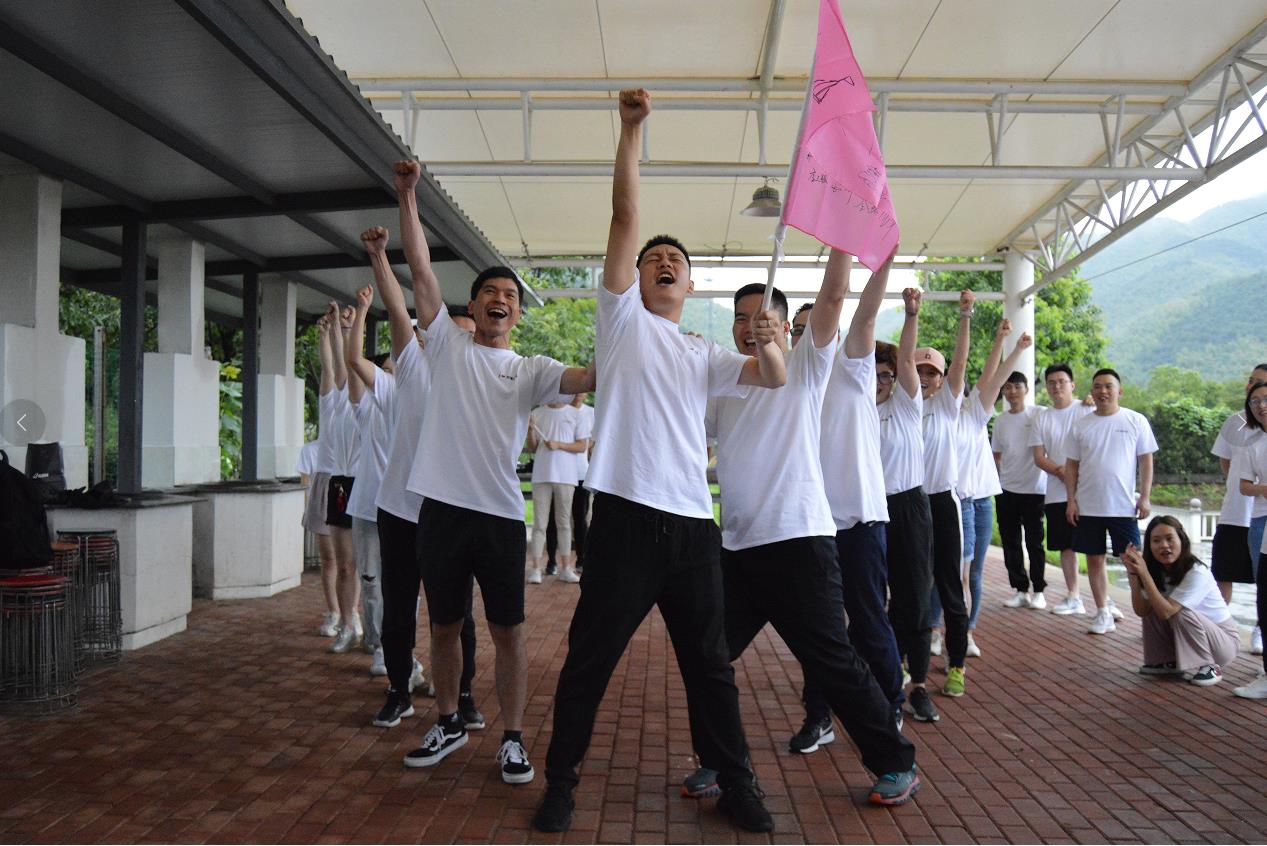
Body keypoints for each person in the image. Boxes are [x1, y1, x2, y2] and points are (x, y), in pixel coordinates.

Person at [533, 89, 785, 834]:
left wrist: (769, 336)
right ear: (634, 279)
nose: (663, 261)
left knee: (710, 668)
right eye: (653, 260)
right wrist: (630, 131)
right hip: (623, 521)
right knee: (589, 662)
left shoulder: (704, 352)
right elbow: (623, 217)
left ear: (692, 283)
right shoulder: (621, 325)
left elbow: (772, 377)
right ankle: (560, 783)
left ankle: (735, 782)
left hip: (690, 532)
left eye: (676, 260)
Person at [689, 258, 919, 808]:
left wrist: (843, 242)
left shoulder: (806, 367)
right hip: (739, 549)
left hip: (801, 544)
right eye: (741, 318)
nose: (750, 326)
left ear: (788, 326)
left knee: (833, 662)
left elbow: (835, 300)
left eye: (762, 316)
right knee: (707, 656)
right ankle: (721, 761)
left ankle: (896, 761)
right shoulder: (724, 385)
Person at [393, 160, 594, 785]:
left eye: (510, 297)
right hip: (443, 513)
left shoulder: (529, 368)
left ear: (517, 315)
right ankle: (450, 721)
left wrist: (628, 341)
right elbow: (421, 271)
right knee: (445, 625)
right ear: (472, 307)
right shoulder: (448, 345)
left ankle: (511, 737)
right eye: (490, 294)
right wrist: (407, 196)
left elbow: (584, 380)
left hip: (502, 515)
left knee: (508, 631)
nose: (500, 301)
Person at [360, 226, 483, 732]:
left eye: (467, 336)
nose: (459, 343)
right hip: (399, 509)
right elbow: (397, 305)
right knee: (397, 610)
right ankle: (398, 690)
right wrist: (378, 258)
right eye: (451, 334)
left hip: (451, 511)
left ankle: (465, 695)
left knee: (455, 613)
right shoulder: (414, 364)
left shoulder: (479, 382)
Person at [790, 252, 907, 752]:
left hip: (859, 520)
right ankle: (819, 716)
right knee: (820, 631)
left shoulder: (852, 363)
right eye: (795, 329)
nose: (802, 335)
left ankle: (889, 710)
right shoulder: (785, 381)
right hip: (812, 524)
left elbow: (865, 312)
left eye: (808, 325)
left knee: (867, 620)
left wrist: (882, 258)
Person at [936, 322, 1032, 654]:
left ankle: (967, 632)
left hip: (981, 499)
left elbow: (992, 377)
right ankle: (940, 632)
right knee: (949, 572)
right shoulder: (936, 414)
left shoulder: (975, 410)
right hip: (955, 500)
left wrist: (1009, 345)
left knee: (972, 572)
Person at [875, 289, 937, 722]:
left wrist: (911, 316)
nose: (880, 380)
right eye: (874, 374)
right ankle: (884, 678)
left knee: (913, 597)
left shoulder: (907, 404)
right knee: (871, 600)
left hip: (910, 506)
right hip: (869, 511)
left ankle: (917, 682)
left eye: (886, 374)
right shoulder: (854, 408)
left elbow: (908, 358)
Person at [1065, 368, 1158, 635]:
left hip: (1123, 507)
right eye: (1097, 386)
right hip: (1089, 506)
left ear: (1119, 391)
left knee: (1134, 562)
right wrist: (1071, 500)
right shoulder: (1081, 425)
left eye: (1108, 386)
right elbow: (1071, 466)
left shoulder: (1135, 420)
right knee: (1094, 561)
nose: (1103, 391)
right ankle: (1102, 611)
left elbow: (1146, 461)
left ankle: (1148, 617)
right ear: (1091, 391)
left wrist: (1146, 496)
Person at [915, 291, 975, 698]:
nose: (925, 377)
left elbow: (961, 361)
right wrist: (910, 316)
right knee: (911, 589)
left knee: (950, 589)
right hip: (909, 506)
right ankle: (909, 661)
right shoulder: (899, 407)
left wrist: (966, 316)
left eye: (931, 372)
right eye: (918, 369)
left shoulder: (948, 404)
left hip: (942, 501)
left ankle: (956, 665)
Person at [344, 288, 395, 676]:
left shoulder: (418, 401)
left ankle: (398, 649)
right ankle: (378, 646)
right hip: (366, 507)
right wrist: (361, 313)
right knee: (372, 581)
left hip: (405, 509)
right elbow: (352, 362)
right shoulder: (366, 410)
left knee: (402, 586)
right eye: (387, 366)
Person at [1123, 516, 1239, 686]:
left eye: (1170, 539)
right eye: (1156, 541)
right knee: (1155, 602)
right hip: (1192, 635)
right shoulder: (1156, 571)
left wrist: (1144, 574)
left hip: (1223, 644)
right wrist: (1133, 573)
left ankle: (1210, 666)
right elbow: (1142, 611)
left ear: (1182, 540)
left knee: (1178, 610)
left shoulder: (1197, 572)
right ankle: (1165, 661)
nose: (1164, 545)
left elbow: (1167, 611)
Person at [315, 304, 362, 653]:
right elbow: (330, 365)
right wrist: (331, 330)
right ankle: (348, 622)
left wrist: (345, 330)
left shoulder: (369, 400)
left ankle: (365, 622)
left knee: (365, 564)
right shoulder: (332, 402)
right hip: (339, 485)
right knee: (345, 563)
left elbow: (347, 363)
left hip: (367, 484)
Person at [1212, 364, 1267, 654]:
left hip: (1259, 516)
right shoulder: (1235, 423)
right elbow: (1226, 462)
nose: (1253, 389)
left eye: (1260, 385)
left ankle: (1260, 628)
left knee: (1263, 579)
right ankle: (1219, 630)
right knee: (1223, 572)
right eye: (1251, 383)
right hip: (1235, 513)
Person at [1030, 364, 1094, 615]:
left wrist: (1075, 475)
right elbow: (1038, 456)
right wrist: (1061, 471)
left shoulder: (1086, 408)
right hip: (1056, 491)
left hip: (1087, 489)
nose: (1057, 387)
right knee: (1066, 546)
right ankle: (1074, 595)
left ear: (1072, 385)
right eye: (1052, 382)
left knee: (1092, 545)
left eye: (1062, 381)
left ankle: (1104, 600)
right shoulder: (1042, 417)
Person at [993, 370, 1049, 609]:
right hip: (1007, 489)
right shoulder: (1001, 420)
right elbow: (996, 455)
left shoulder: (1039, 414)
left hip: (1034, 490)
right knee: (1011, 541)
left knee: (1035, 542)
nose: (1012, 391)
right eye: (1007, 387)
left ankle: (1039, 590)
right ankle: (1020, 588)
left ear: (1026, 389)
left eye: (1017, 386)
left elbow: (1066, 414)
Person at [525, 400, 585, 584]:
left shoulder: (575, 414)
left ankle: (566, 568)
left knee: (564, 523)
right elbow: (533, 448)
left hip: (566, 475)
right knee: (539, 524)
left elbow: (582, 445)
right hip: (542, 475)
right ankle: (536, 568)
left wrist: (559, 445)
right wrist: (529, 430)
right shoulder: (537, 413)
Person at [1235, 381, 1267, 699]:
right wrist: (1264, 490)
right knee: (1264, 588)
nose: (1261, 405)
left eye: (1266, 399)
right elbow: (1245, 486)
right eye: (1255, 401)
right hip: (1260, 520)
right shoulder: (1253, 443)